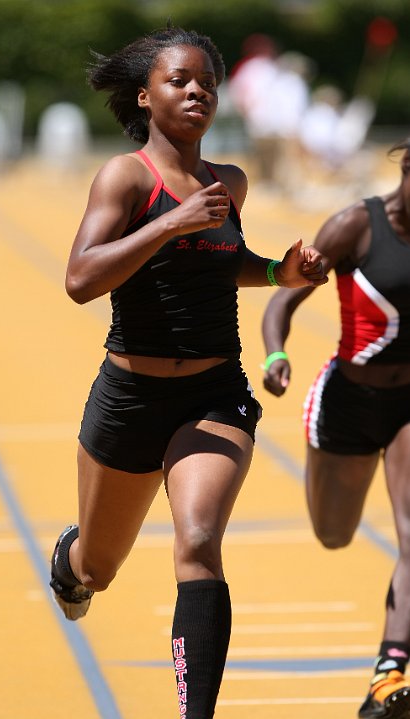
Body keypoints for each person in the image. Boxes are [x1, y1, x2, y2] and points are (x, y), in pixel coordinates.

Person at [49, 26, 327, 719]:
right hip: (130, 397)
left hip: (213, 393)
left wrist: (277, 272)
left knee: (199, 539)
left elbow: (221, 261)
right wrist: (167, 226)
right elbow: (81, 278)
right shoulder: (125, 178)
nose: (197, 90)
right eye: (180, 79)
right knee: (99, 567)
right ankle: (72, 560)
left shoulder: (226, 183)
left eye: (207, 80)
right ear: (144, 97)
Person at [261, 137, 410, 719]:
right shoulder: (357, 226)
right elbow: (284, 301)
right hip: (347, 400)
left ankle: (388, 674)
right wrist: (275, 355)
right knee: (333, 535)